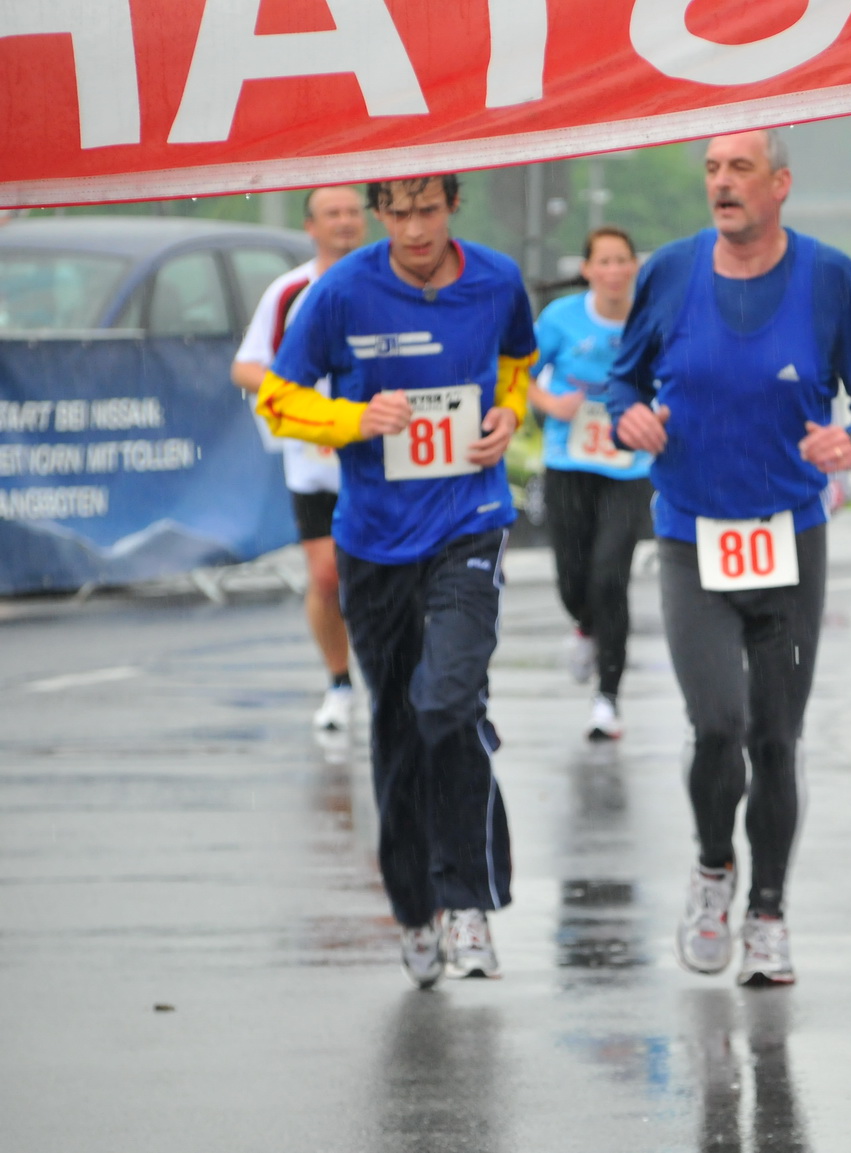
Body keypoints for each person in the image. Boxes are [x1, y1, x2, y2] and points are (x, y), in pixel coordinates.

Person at [606, 128, 851, 987]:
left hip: (788, 534)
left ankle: (767, 912)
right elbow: (623, 383)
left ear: (780, 184)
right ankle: (711, 871)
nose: (721, 183)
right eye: (710, 169)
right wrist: (629, 416)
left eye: (740, 169)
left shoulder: (829, 278)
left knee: (776, 738)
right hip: (691, 530)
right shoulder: (667, 273)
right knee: (719, 724)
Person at [256, 175, 536, 990]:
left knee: (448, 699)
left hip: (469, 521)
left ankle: (468, 901)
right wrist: (352, 420)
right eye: (398, 212)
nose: (415, 228)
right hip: (374, 542)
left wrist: (508, 417)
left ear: (454, 206)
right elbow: (278, 398)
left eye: (429, 209)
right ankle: (413, 908)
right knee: (399, 726)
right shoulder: (342, 291)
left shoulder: (496, 280)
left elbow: (518, 364)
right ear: (379, 214)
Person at [231, 185, 367, 730]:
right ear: (311, 226)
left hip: (383, 454)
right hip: (315, 458)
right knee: (328, 576)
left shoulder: (391, 281)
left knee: (391, 574)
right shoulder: (289, 292)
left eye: (353, 212)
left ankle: (399, 676)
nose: (344, 222)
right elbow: (246, 368)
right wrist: (302, 394)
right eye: (332, 213)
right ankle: (339, 682)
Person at [529, 226, 650, 741]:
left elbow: (672, 372)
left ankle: (608, 698)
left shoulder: (651, 316)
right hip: (569, 459)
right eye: (604, 262)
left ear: (634, 267)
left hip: (629, 466)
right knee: (572, 578)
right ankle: (584, 626)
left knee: (609, 576)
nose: (614, 271)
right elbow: (518, 372)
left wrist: (655, 411)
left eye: (623, 260)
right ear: (587, 270)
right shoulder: (560, 318)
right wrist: (551, 403)